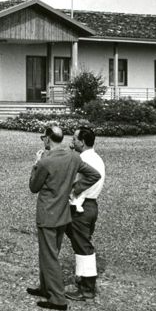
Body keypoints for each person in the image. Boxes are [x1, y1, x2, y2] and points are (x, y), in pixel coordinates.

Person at [27, 123, 100, 311]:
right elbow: (94, 174)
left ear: (48, 138)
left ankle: (58, 299)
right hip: (64, 214)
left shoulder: (45, 161)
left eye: (44, 137)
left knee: (49, 256)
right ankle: (46, 288)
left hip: (47, 214)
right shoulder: (74, 157)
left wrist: (36, 164)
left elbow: (33, 187)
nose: (43, 140)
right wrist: (74, 188)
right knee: (50, 253)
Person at [64, 126, 105, 301]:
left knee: (83, 247)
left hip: (82, 206)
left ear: (82, 142)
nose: (72, 142)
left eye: (74, 139)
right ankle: (83, 279)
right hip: (90, 204)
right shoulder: (96, 158)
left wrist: (74, 189)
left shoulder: (84, 159)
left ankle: (88, 288)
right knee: (80, 243)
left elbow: (90, 177)